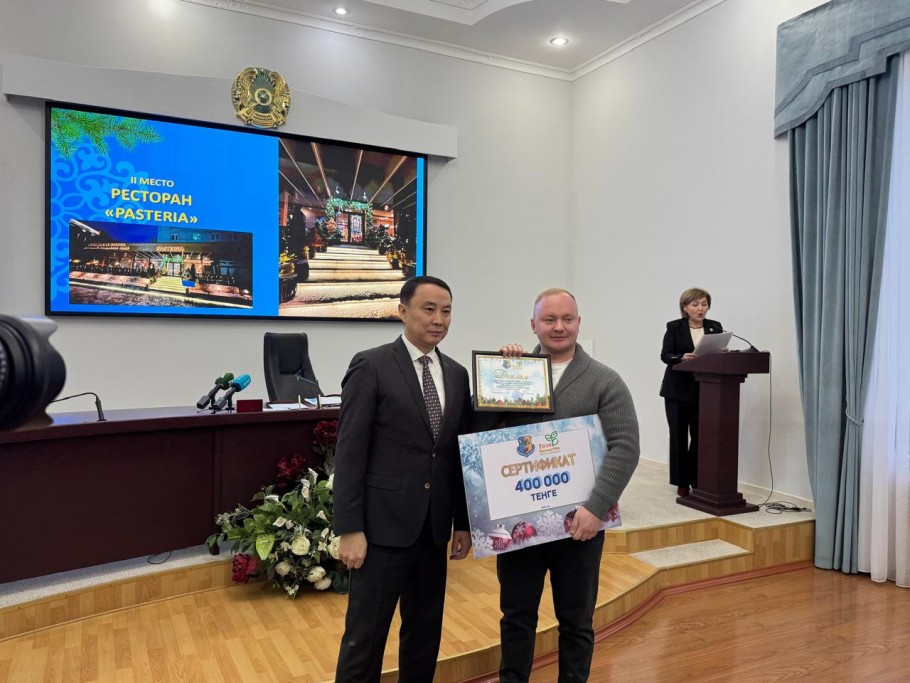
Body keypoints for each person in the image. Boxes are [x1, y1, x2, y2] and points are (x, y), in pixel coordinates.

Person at [492, 288, 640, 683]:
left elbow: (625, 447)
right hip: (521, 525)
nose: (559, 327)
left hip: (580, 526)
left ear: (578, 322)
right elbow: (482, 431)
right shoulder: (514, 374)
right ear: (533, 325)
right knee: (516, 617)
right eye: (549, 319)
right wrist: (499, 371)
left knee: (576, 621)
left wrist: (596, 508)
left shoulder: (605, 380)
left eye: (567, 319)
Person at [333, 275, 473, 683]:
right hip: (381, 530)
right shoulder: (371, 364)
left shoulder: (457, 374)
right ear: (402, 311)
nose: (438, 320)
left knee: (424, 635)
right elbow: (350, 452)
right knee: (365, 639)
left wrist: (462, 523)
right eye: (428, 309)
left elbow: (457, 456)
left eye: (446, 311)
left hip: (433, 531)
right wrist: (350, 528)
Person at [659, 287, 724, 498]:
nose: (700, 308)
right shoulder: (674, 327)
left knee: (700, 436)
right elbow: (665, 355)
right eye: (695, 304)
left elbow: (716, 356)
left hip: (705, 390)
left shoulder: (715, 327)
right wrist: (680, 357)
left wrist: (722, 354)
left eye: (704, 304)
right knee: (679, 436)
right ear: (685, 308)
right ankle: (681, 482)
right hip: (677, 390)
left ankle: (696, 478)